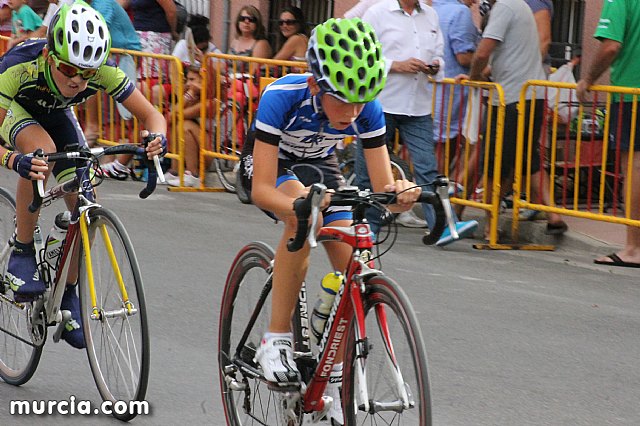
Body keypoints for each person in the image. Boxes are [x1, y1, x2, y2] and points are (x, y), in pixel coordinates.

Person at [242, 17, 420, 424]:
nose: (354, 111)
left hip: (320, 167)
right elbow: (262, 190)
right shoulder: (281, 97)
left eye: (362, 99)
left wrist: (401, 194)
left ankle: (334, 370)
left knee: (361, 266)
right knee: (302, 220)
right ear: (315, 85)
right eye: (344, 99)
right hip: (272, 166)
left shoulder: (365, 108)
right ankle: (276, 339)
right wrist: (300, 208)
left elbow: (381, 189)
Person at [0, 1, 166, 348]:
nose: (77, 80)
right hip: (16, 111)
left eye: (87, 73)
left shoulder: (101, 72)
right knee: (40, 153)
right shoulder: (17, 67)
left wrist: (156, 139)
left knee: (86, 200)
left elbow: (152, 117)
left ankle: (68, 293)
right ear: (49, 55)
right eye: (68, 69)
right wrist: (13, 160)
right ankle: (22, 251)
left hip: (57, 114)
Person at [358, 0, 479, 246]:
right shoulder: (377, 13)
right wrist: (396, 65)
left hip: (418, 105)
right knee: (368, 172)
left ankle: (443, 226)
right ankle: (365, 227)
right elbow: (360, 57)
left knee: (428, 168)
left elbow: (438, 55)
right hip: (381, 103)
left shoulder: (431, 15)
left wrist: (434, 67)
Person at [464, 0, 567, 240]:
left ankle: (490, 226)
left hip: (511, 97)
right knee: (523, 158)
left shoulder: (505, 7)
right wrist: (482, 74)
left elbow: (483, 52)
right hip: (530, 94)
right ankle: (553, 215)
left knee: (495, 162)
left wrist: (474, 77)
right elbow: (509, 56)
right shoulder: (519, 6)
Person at [576, 1, 640, 267]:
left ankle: (634, 248)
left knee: (634, 165)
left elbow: (611, 45)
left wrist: (587, 78)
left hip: (631, 91)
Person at [432, 0, 481, 217]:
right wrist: (485, 58)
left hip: (433, 90)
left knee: (434, 148)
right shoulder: (460, 12)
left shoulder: (432, 8)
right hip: (454, 91)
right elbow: (463, 55)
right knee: (450, 147)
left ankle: (433, 201)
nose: (477, 2)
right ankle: (443, 204)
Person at [164, 65, 213, 187]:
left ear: (203, 81)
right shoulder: (191, 98)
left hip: (213, 155)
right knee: (178, 124)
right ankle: (175, 172)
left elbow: (178, 114)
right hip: (198, 150)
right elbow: (169, 118)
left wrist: (189, 94)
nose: (188, 83)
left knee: (184, 125)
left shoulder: (210, 101)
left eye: (192, 80)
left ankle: (193, 174)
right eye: (187, 80)